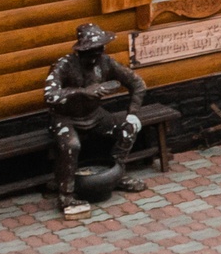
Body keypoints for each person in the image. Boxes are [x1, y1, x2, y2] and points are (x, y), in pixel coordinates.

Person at [42, 23, 147, 218]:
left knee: (129, 127)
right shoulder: (64, 65)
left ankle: (117, 174)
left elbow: (137, 84)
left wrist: (132, 112)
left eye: (99, 50)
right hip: (65, 118)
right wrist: (82, 92)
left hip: (95, 115)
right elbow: (49, 95)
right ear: (81, 51)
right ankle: (66, 195)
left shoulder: (106, 62)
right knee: (71, 145)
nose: (96, 55)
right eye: (91, 51)